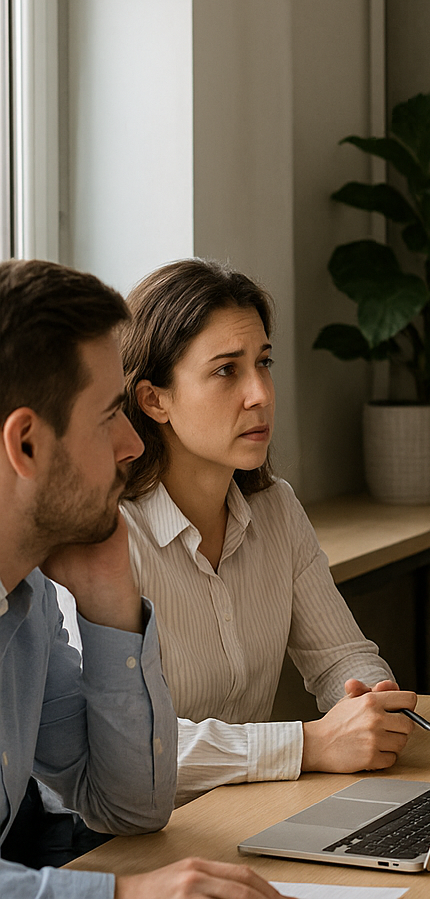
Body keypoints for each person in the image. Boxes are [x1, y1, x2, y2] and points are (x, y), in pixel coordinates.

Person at [0, 258, 281, 898]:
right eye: (107, 416)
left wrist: (110, 602)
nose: (132, 444)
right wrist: (125, 895)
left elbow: (129, 808)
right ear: (26, 445)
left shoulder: (30, 600)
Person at [119, 259, 418, 805]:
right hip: (105, 842)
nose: (260, 393)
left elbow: (338, 656)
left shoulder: (275, 508)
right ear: (154, 399)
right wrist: (309, 744)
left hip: (236, 812)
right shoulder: (112, 537)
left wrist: (369, 698)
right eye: (226, 370)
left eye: (263, 363)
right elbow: (129, 750)